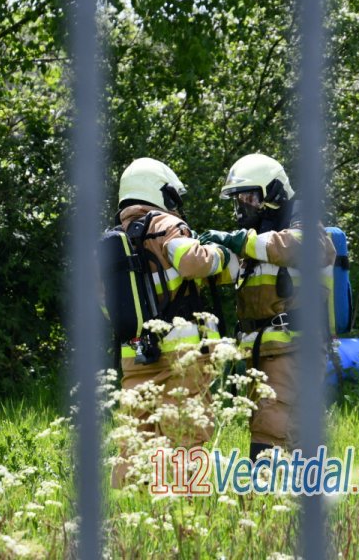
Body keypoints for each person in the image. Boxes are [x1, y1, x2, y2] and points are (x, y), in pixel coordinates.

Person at [107, 157, 239, 484]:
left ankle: (130, 514)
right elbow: (192, 262)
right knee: (186, 434)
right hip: (182, 355)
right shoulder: (166, 225)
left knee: (135, 440)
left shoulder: (112, 241)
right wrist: (221, 253)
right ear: (160, 191)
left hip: (134, 355)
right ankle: (186, 512)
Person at [200, 153, 335, 461]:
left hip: (294, 350)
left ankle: (265, 499)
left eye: (249, 196)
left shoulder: (299, 224)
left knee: (272, 429)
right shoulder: (259, 238)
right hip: (265, 352)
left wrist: (239, 241)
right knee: (284, 430)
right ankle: (295, 498)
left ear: (272, 192)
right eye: (238, 199)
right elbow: (231, 270)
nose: (242, 205)